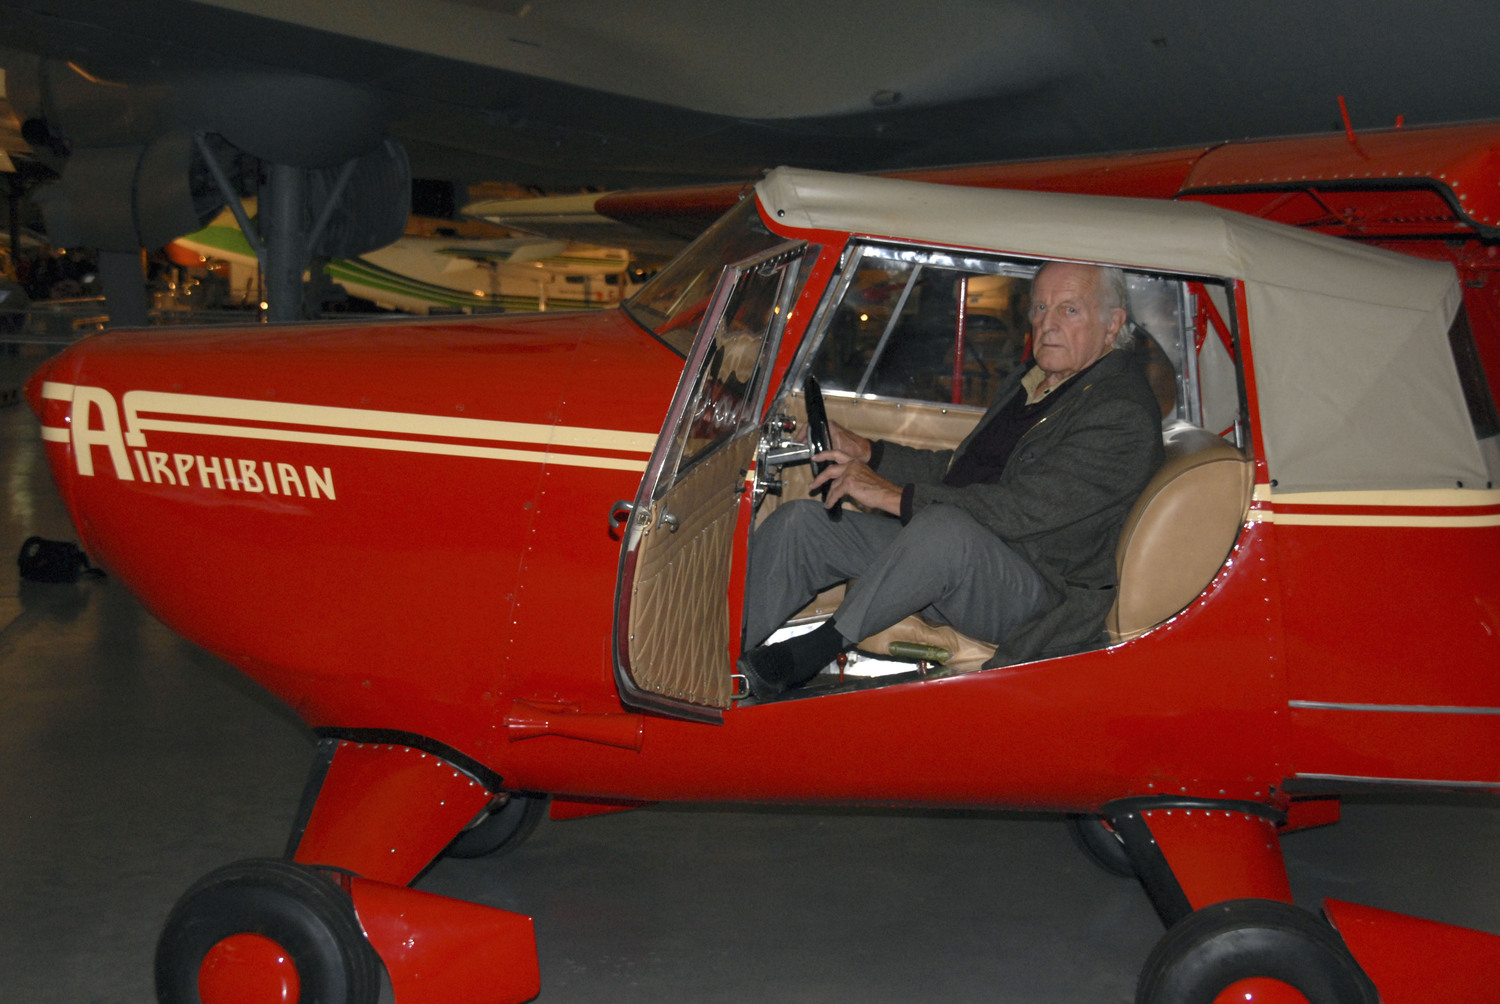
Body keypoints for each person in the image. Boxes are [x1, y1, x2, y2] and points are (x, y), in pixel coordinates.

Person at [739, 261, 1165, 698]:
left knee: (945, 530)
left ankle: (812, 650)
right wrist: (871, 453)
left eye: (1069, 310)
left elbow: (1021, 509)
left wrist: (894, 497)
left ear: (1113, 324)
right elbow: (961, 472)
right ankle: (719, 657)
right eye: (1040, 307)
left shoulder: (1120, 412)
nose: (1047, 324)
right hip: (966, 553)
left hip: (1041, 589)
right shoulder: (1034, 381)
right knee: (802, 525)